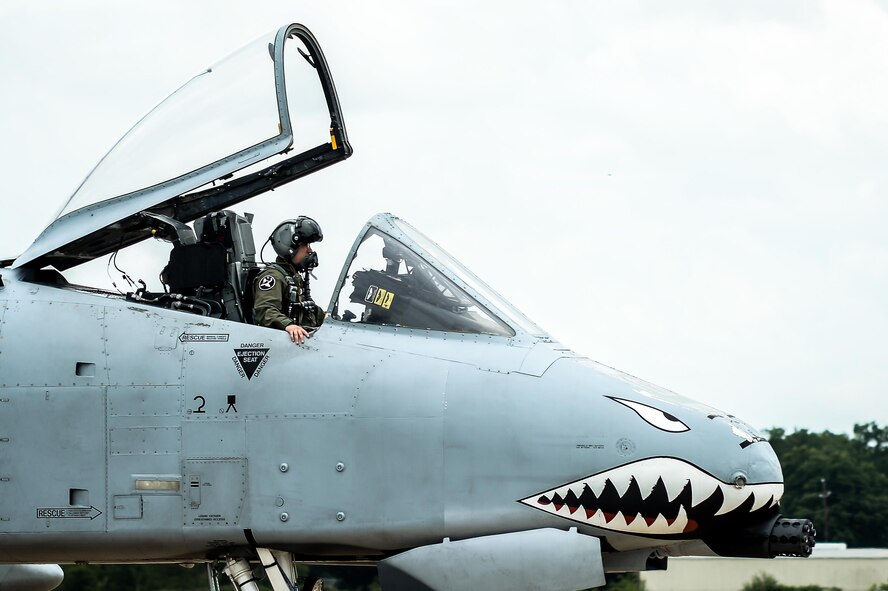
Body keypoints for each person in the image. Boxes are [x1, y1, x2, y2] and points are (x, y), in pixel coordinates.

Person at [253, 217, 325, 344]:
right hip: (278, 343)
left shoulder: (293, 277)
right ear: (290, 246)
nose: (310, 250)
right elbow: (265, 309)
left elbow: (306, 308)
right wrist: (288, 325)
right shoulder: (273, 276)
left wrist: (328, 318)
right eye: (305, 245)